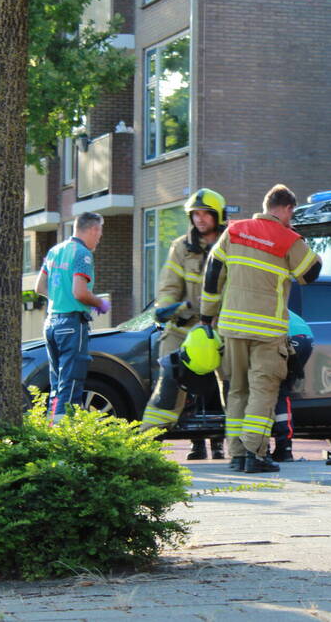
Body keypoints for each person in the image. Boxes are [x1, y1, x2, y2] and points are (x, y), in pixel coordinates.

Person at [200, 184, 322, 473]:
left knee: (236, 390)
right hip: (267, 332)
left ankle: (238, 455)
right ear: (288, 209)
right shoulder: (288, 238)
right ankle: (255, 455)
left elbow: (212, 273)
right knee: (262, 392)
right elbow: (312, 273)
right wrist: (301, 242)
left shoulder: (235, 230)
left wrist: (206, 318)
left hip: (231, 327)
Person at [141, 189, 228, 460]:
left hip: (222, 329)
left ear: (218, 215)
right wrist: (169, 308)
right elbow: (169, 286)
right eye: (195, 214)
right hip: (185, 328)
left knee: (228, 384)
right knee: (170, 375)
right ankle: (153, 442)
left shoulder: (232, 243)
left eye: (206, 214)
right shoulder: (181, 247)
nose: (200, 219)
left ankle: (222, 442)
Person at [34, 212, 109, 424]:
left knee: (57, 382)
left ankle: (52, 425)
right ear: (93, 229)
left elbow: (39, 286)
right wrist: (100, 303)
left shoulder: (55, 251)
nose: (99, 238)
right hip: (71, 324)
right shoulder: (82, 254)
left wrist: (60, 297)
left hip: (51, 323)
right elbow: (80, 292)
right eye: (99, 233)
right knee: (72, 381)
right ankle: (64, 435)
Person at [270, 309, 315, 462]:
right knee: (282, 390)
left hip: (288, 338)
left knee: (274, 390)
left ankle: (282, 447)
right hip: (305, 337)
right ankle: (285, 448)